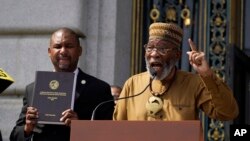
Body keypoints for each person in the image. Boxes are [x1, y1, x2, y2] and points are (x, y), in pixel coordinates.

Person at [113, 22, 239, 121]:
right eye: (150, 48)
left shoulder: (193, 84)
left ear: (177, 55)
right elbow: (117, 130)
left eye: (162, 49)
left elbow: (228, 113)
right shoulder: (132, 84)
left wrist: (207, 75)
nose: (154, 54)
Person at [10, 28, 114, 141]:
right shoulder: (33, 88)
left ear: (79, 51)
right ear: (49, 52)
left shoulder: (99, 88)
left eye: (69, 46)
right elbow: (15, 136)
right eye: (58, 46)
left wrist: (80, 127)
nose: (63, 51)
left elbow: (109, 135)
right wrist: (27, 128)